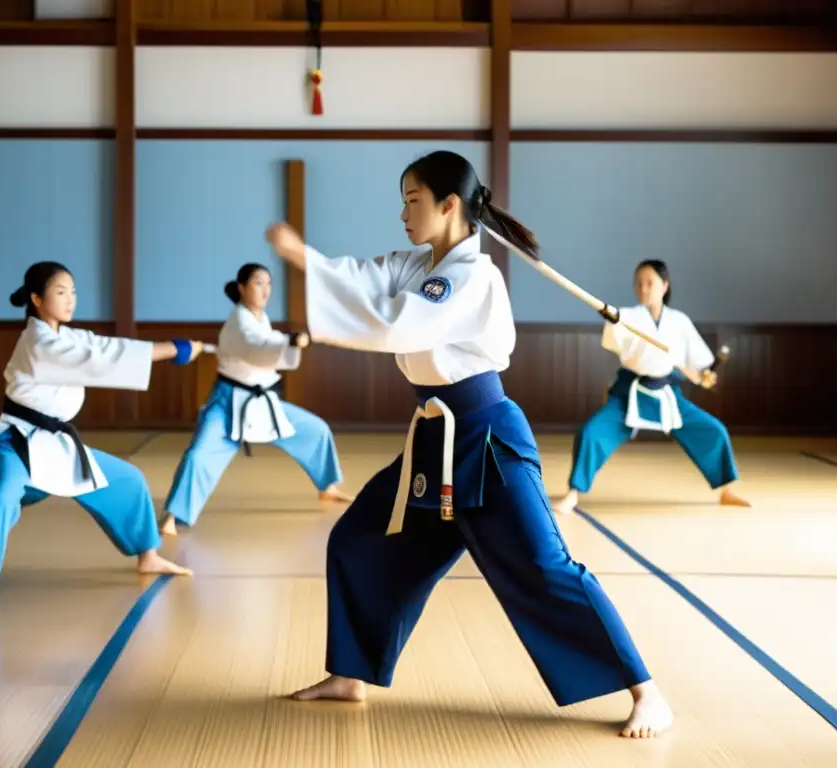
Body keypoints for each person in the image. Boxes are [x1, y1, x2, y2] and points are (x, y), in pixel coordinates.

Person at [264, 150, 673, 739]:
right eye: (402, 200)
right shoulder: (415, 263)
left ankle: (646, 691)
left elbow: (396, 324)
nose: (403, 212)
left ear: (449, 204)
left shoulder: (471, 275)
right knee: (360, 539)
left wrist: (304, 260)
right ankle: (352, 673)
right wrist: (310, 260)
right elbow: (362, 278)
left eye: (413, 200)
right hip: (433, 438)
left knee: (542, 567)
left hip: (486, 440)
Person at [0, 261, 195, 622]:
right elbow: (97, 361)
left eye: (73, 291)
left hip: (56, 445)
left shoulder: (69, 335)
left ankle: (148, 556)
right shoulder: (37, 342)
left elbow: (108, 346)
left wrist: (167, 348)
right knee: (1, 500)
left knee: (128, 480)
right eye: (61, 292)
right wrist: (169, 350)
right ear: (37, 299)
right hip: (17, 443)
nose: (70, 299)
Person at [159, 263, 352, 535]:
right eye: (258, 283)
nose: (265, 290)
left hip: (262, 402)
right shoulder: (239, 322)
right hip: (229, 402)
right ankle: (173, 515)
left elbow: (267, 341)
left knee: (316, 429)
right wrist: (290, 342)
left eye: (269, 284)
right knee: (200, 454)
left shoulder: (258, 318)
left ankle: (328, 487)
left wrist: (288, 341)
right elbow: (255, 347)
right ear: (242, 288)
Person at [554, 259, 750, 516]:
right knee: (592, 432)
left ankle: (726, 489)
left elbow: (697, 363)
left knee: (713, 430)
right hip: (630, 391)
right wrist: (613, 318)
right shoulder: (628, 316)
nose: (643, 289)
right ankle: (573, 493)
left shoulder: (679, 321)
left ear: (665, 286)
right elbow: (615, 334)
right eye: (639, 283)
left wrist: (705, 375)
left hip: (666, 393)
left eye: (650, 283)